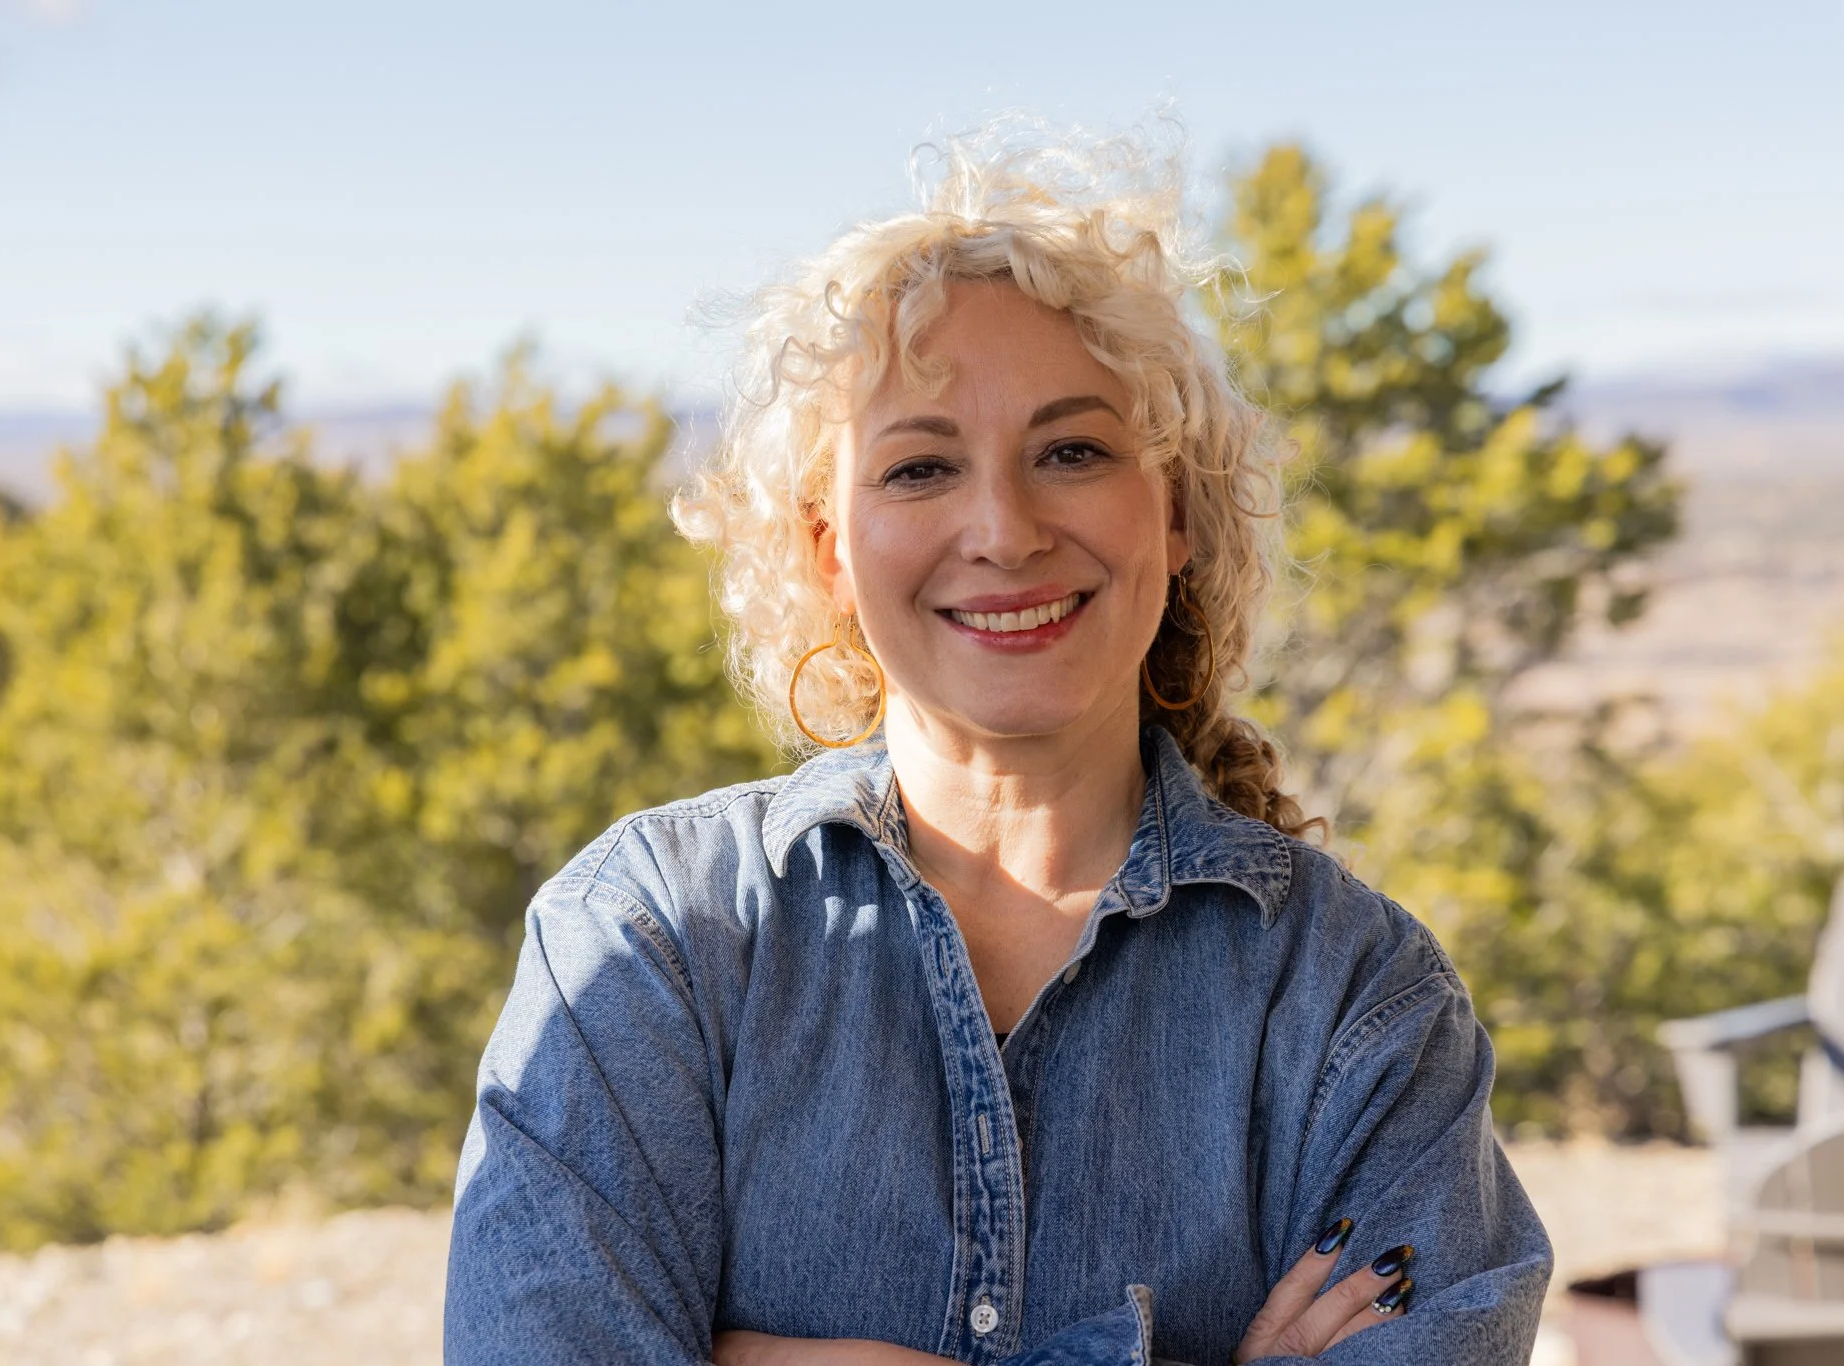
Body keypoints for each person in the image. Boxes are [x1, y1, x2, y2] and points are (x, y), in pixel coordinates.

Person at [443, 125, 1552, 1366]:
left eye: (1070, 451)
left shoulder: (1356, 999)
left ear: (1174, 510)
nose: (1001, 528)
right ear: (827, 552)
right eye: (919, 468)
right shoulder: (652, 940)